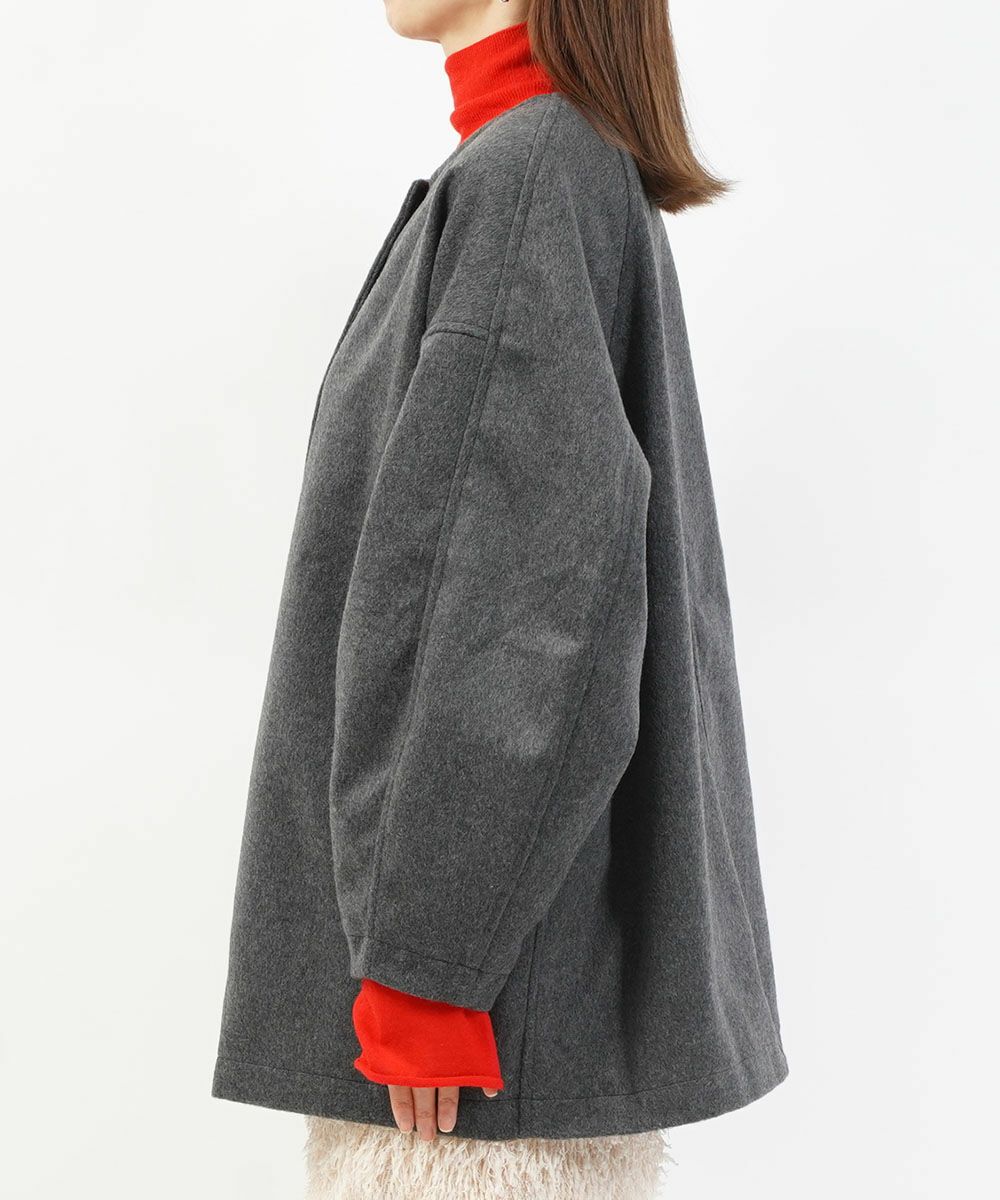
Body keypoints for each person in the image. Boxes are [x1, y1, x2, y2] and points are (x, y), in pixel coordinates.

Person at [212, 2, 789, 1195]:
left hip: (470, 1040)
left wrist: (428, 963)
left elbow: (520, 617)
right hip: (503, 994)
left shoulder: (529, 174)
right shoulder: (544, 166)